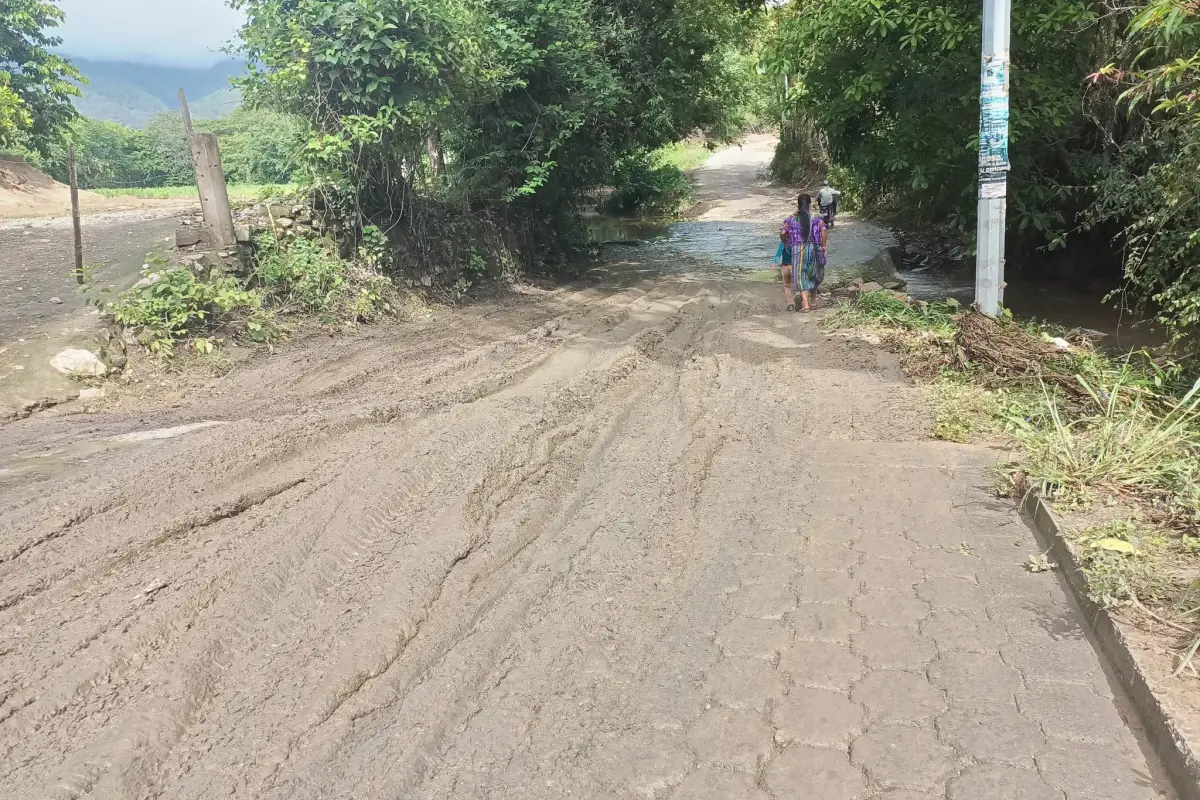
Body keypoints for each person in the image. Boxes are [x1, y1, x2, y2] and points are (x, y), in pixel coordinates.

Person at [779, 193, 828, 312]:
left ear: (798, 205)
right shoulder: (816, 218)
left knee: (801, 276)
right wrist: (824, 246)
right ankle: (813, 302)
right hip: (813, 248)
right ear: (810, 205)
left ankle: (805, 304)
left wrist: (785, 241)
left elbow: (783, 232)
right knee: (813, 274)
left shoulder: (791, 219)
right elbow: (823, 231)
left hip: (798, 249)